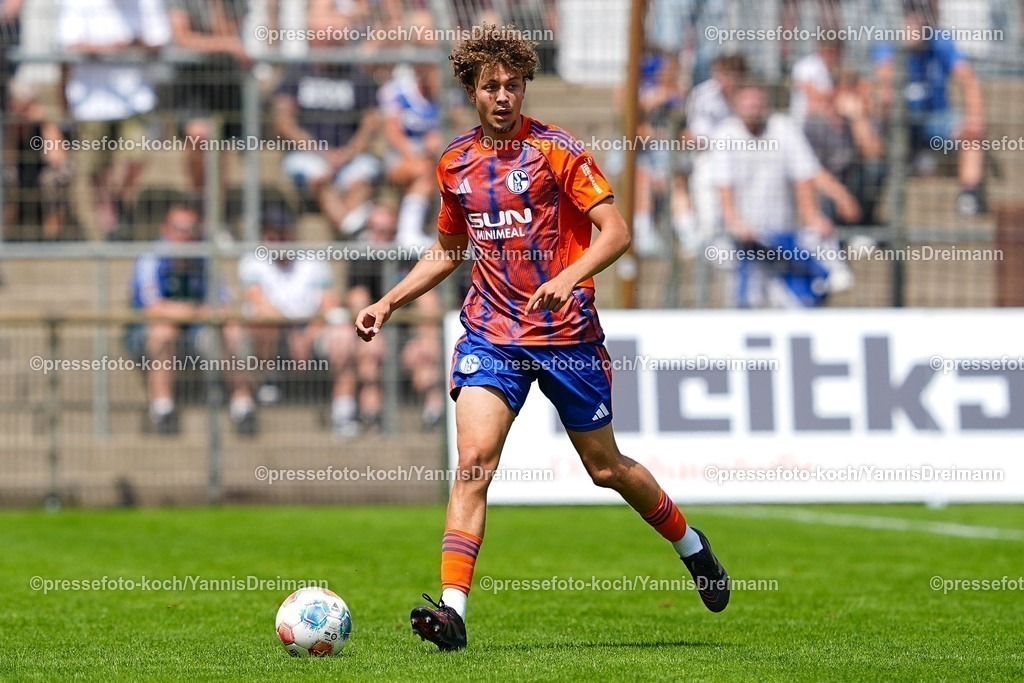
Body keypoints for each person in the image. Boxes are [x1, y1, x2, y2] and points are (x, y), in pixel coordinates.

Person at [354, 24, 730, 652]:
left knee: (606, 469)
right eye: (489, 86)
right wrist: (389, 301)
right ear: (471, 93)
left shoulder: (558, 152)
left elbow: (616, 232)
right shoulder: (455, 165)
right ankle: (453, 612)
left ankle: (692, 546)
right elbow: (449, 251)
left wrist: (569, 276)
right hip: (491, 333)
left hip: (568, 337)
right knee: (473, 466)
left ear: (526, 85)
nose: (502, 95)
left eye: (512, 84)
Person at [710, 80, 849, 308]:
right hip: (741, 241)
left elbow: (805, 175)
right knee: (745, 304)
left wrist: (815, 213)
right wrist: (736, 223)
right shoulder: (724, 135)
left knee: (799, 302)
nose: (753, 108)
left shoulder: (783, 128)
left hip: (781, 238)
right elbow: (724, 191)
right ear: (735, 105)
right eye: (747, 103)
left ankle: (827, 275)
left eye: (757, 103)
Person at [234, 205, 360, 437]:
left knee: (343, 334)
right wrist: (293, 331)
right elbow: (258, 301)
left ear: (291, 233)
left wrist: (308, 335)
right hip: (276, 331)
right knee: (259, 321)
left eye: (281, 232)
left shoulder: (312, 259)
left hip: (311, 328)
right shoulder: (252, 260)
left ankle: (344, 412)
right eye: (271, 233)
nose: (276, 239)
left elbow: (329, 303)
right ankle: (267, 379)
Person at [125, 200, 246, 434]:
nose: (185, 236)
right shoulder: (151, 258)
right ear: (165, 229)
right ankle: (162, 409)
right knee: (163, 330)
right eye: (178, 229)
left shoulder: (205, 258)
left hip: (196, 330)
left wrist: (192, 312)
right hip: (146, 335)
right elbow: (153, 308)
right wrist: (195, 310)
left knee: (231, 328)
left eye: (190, 229)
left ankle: (243, 405)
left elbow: (224, 306)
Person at [57, 0, 170, 239]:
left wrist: (134, 45)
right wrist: (109, 49)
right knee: (98, 167)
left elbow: (159, 40)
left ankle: (116, 199)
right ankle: (109, 223)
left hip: (136, 98)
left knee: (140, 154)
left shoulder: (147, 4)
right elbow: (68, 45)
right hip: (90, 101)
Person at [873, 0, 987, 215]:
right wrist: (905, 51)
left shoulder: (940, 40)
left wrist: (976, 116)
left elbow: (968, 79)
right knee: (874, 130)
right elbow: (882, 88)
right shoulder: (890, 43)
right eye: (912, 13)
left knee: (971, 131)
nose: (917, 20)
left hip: (936, 119)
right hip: (901, 122)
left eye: (922, 13)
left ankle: (969, 196)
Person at [273, 35, 381, 237]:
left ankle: (349, 229)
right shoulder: (296, 73)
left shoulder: (356, 75)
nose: (328, 47)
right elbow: (283, 121)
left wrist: (349, 153)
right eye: (324, 41)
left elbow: (372, 121)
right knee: (319, 177)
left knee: (362, 177)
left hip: (349, 156)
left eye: (334, 42)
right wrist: (321, 153)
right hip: (307, 155)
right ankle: (357, 234)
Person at [167, 0, 250, 196]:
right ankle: (199, 202)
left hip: (225, 80)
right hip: (192, 81)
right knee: (198, 137)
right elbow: (183, 38)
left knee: (220, 147)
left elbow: (229, 32)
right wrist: (227, 45)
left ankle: (217, 213)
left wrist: (217, 5)